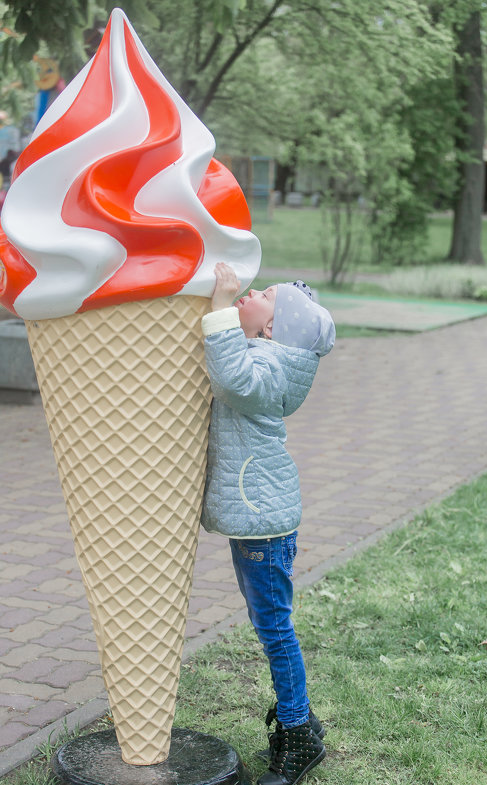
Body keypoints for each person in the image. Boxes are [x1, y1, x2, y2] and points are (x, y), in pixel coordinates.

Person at [200, 262, 336, 785]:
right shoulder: (269, 356)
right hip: (262, 517)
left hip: (265, 524)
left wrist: (219, 309)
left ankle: (298, 736)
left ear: (273, 329)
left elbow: (231, 377)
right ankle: (304, 720)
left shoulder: (268, 368)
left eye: (265, 295)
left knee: (275, 629)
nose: (252, 291)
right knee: (269, 624)